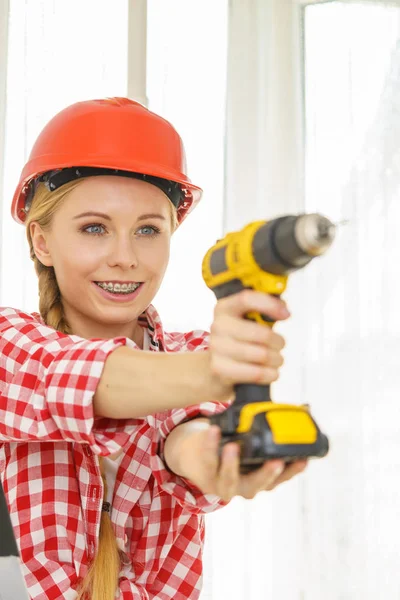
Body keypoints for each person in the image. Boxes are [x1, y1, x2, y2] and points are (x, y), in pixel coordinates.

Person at [0, 97, 307, 600]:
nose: (125, 258)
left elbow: (182, 437)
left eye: (148, 230)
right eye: (94, 228)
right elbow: (74, 378)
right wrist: (216, 369)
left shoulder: (191, 355)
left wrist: (212, 456)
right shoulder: (10, 346)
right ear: (42, 242)